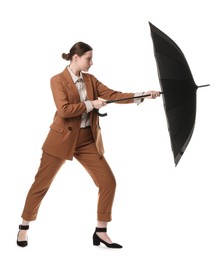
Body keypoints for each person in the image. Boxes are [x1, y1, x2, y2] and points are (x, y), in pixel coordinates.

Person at [17, 41, 160, 248]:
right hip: (61, 140)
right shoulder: (57, 80)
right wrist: (91, 104)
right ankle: (24, 227)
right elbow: (64, 110)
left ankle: (101, 231)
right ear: (76, 58)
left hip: (87, 140)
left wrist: (143, 95)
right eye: (88, 59)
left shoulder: (91, 80)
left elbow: (113, 95)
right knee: (41, 184)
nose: (92, 63)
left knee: (108, 182)